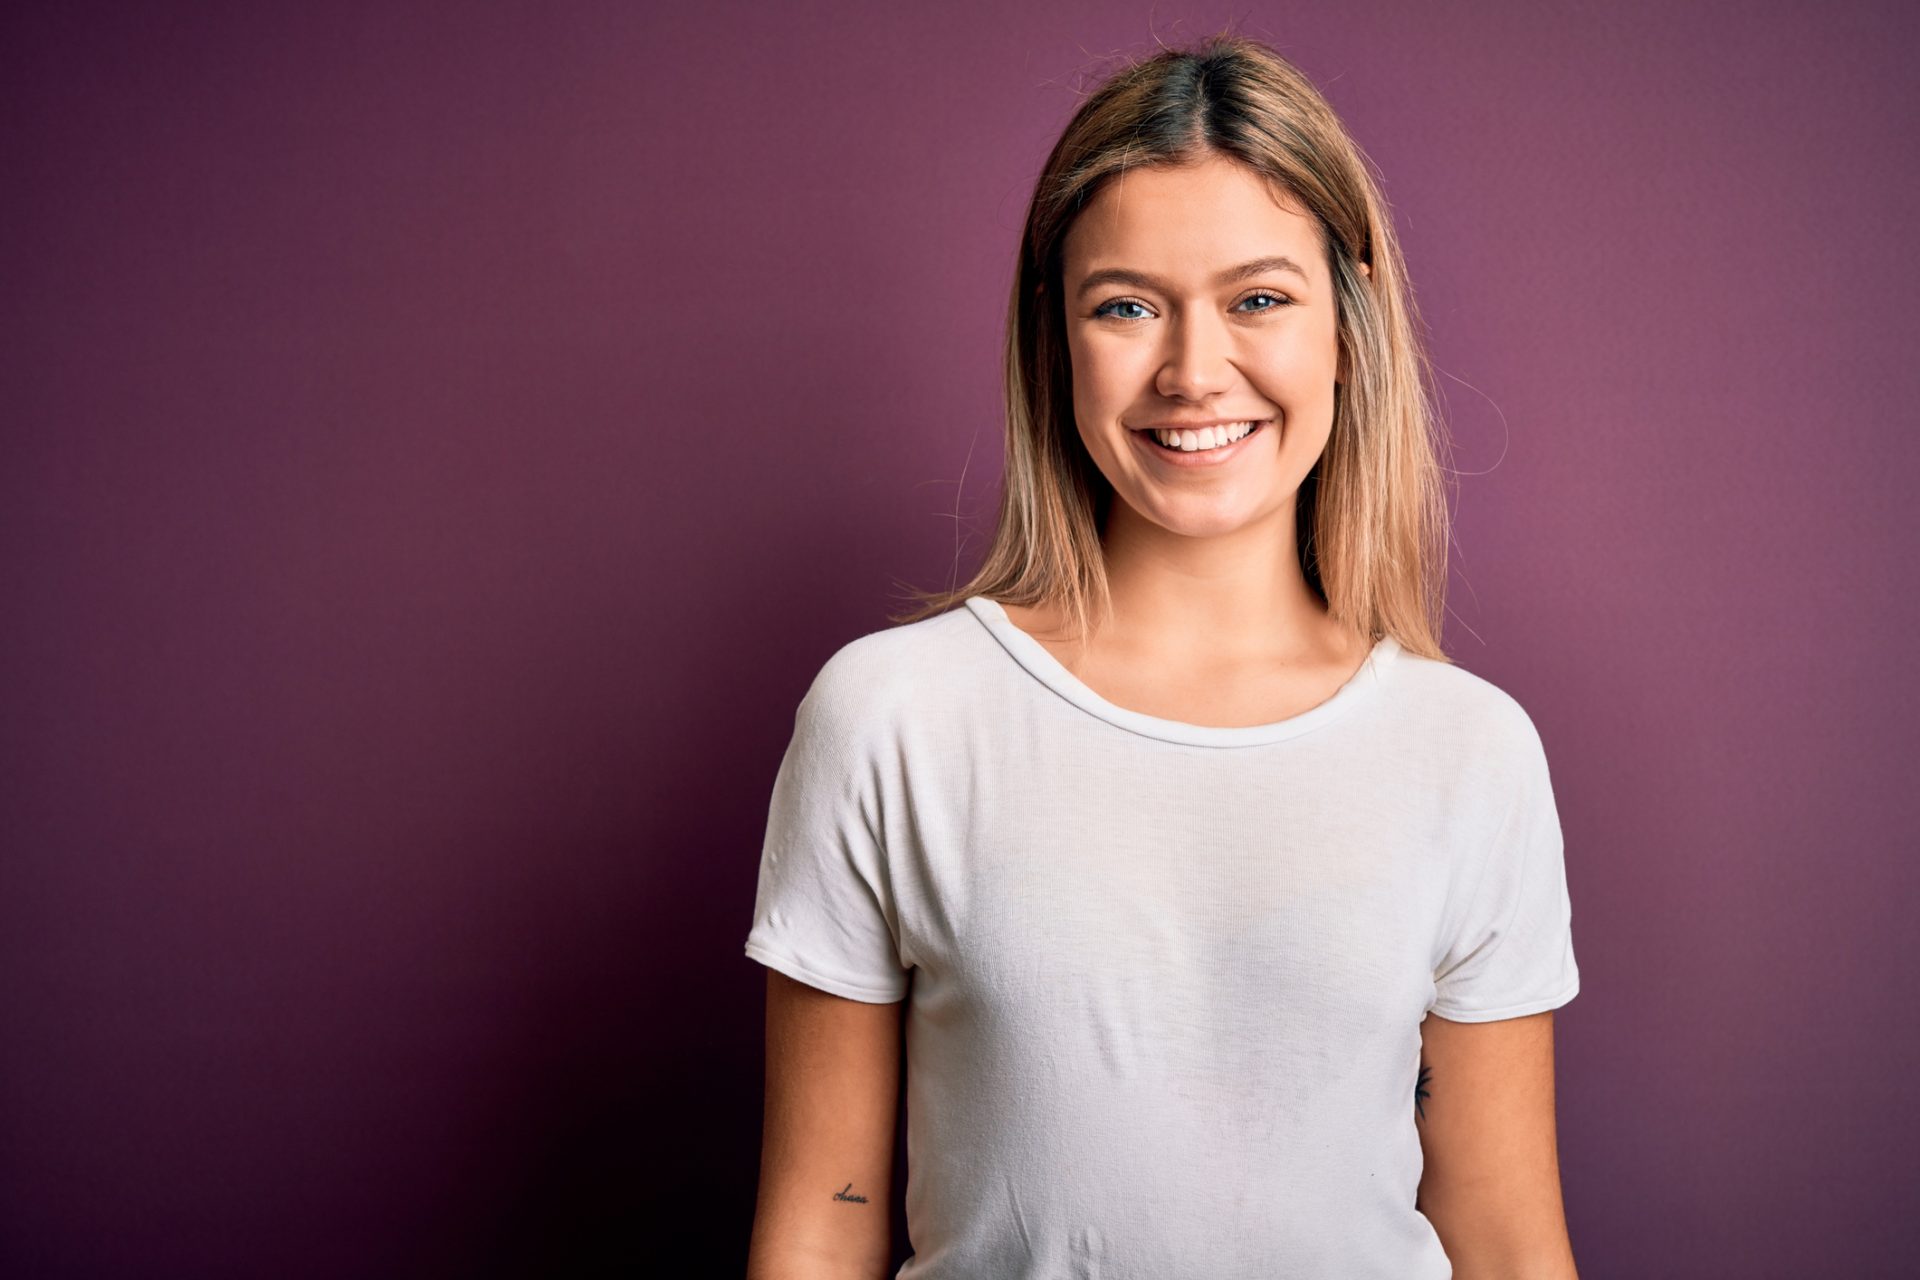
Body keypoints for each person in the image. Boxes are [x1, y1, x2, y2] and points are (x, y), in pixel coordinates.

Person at [743, 31, 1581, 1280]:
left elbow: (1509, 1241)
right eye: (1126, 305)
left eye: (1258, 298)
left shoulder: (1471, 750)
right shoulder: (893, 716)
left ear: (1346, 326)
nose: (1195, 372)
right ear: (1056, 337)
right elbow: (824, 1216)